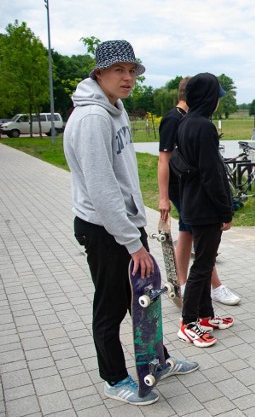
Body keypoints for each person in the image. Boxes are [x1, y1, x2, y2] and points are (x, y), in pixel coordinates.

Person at [64, 40, 198, 406]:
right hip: (104, 228)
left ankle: (159, 361)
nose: (128, 78)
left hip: (124, 225)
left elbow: (120, 178)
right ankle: (113, 378)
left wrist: (136, 227)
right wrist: (133, 242)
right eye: (119, 71)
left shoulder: (114, 107)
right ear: (100, 73)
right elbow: (102, 187)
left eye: (132, 71)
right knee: (110, 306)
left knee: (143, 301)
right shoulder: (92, 119)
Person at [158, 76, 241, 306]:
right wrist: (163, 196)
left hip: (192, 189)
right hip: (186, 189)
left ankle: (183, 284)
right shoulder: (175, 119)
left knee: (189, 235)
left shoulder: (190, 119)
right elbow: (163, 160)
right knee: (200, 246)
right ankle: (194, 294)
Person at [173, 72, 235, 348]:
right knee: (202, 267)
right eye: (217, 97)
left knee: (205, 263)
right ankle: (188, 323)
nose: (218, 102)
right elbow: (212, 174)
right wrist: (226, 210)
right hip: (206, 207)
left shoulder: (186, 123)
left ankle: (206, 316)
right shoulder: (204, 127)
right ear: (209, 98)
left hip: (192, 203)